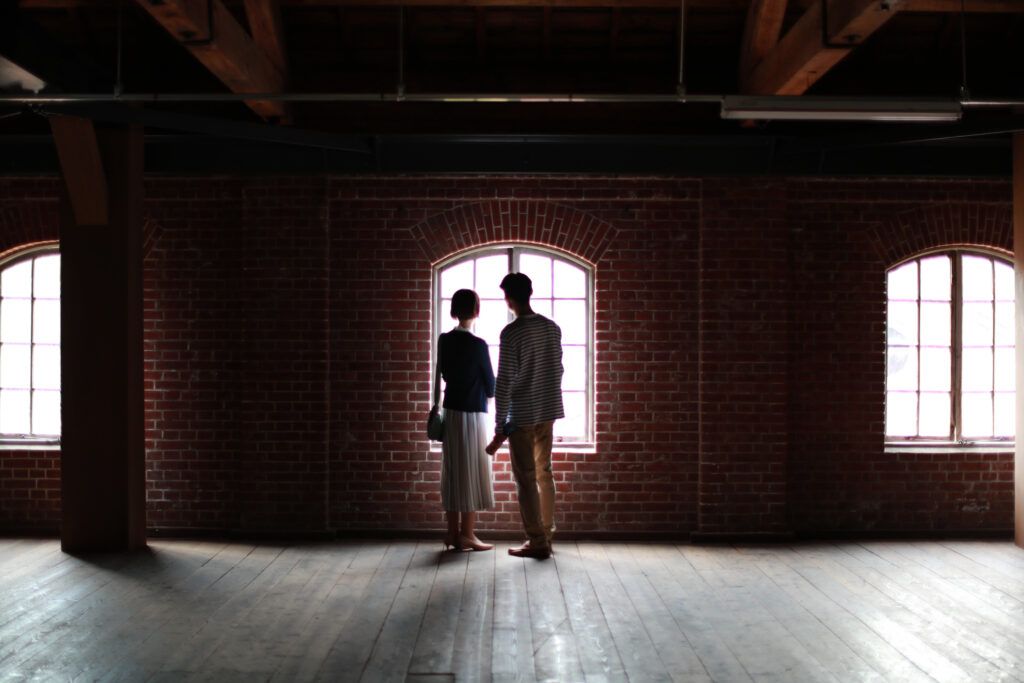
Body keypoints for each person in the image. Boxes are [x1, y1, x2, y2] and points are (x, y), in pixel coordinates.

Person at [492, 272, 563, 559]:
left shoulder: (511, 333)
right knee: (545, 472)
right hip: (548, 410)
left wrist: (499, 423)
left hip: (521, 415)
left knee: (526, 478)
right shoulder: (552, 328)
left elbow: (504, 381)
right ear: (530, 293)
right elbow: (558, 369)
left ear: (508, 298)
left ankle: (536, 541)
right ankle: (547, 534)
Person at [438, 288, 496, 552]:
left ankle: (451, 533)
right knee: (471, 471)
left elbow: (444, 374)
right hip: (473, 415)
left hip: (450, 411)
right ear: (476, 311)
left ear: (453, 310)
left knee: (452, 471)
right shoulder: (479, 345)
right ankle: (468, 534)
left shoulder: (444, 340)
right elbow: (491, 387)